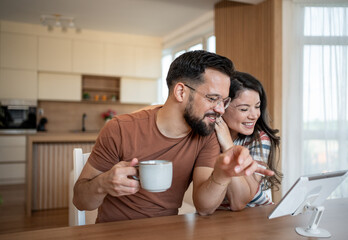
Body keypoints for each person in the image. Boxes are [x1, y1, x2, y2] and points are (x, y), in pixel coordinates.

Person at [73, 51, 274, 223]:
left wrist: (221, 176)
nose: (221, 109)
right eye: (213, 99)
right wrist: (103, 183)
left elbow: (204, 208)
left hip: (167, 230)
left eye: (225, 101)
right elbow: (80, 201)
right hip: (113, 232)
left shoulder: (205, 134)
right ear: (180, 91)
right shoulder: (119, 128)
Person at [215, 71, 282, 210]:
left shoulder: (260, 139)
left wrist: (228, 144)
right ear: (223, 106)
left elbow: (239, 201)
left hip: (255, 214)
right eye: (244, 109)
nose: (254, 115)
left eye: (257, 106)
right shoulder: (208, 137)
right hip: (218, 218)